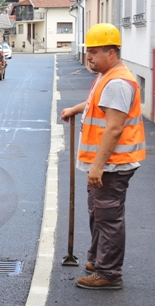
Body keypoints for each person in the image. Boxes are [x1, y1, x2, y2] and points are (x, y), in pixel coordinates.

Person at [60, 23, 145, 290]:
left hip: (111, 166)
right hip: (106, 165)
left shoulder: (117, 82)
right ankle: (98, 260)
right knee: (98, 214)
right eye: (88, 51)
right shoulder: (107, 76)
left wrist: (97, 167)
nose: (89, 57)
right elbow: (98, 103)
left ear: (111, 53)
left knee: (108, 219)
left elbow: (114, 127)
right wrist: (76, 108)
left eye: (94, 52)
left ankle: (108, 273)